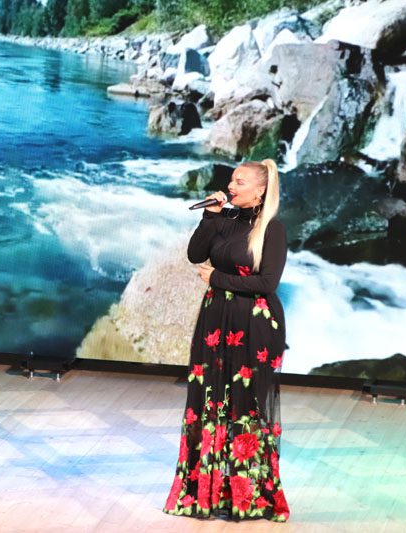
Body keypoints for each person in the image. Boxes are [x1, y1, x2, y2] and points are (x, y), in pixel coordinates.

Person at [164, 160, 290, 521]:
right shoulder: (225, 219)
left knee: (245, 407)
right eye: (232, 180)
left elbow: (267, 283)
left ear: (260, 190)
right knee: (209, 401)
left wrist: (217, 279)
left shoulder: (272, 229)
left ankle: (247, 496)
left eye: (240, 181)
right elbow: (195, 255)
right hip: (215, 320)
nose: (231, 186)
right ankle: (207, 490)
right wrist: (210, 216)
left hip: (254, 325)